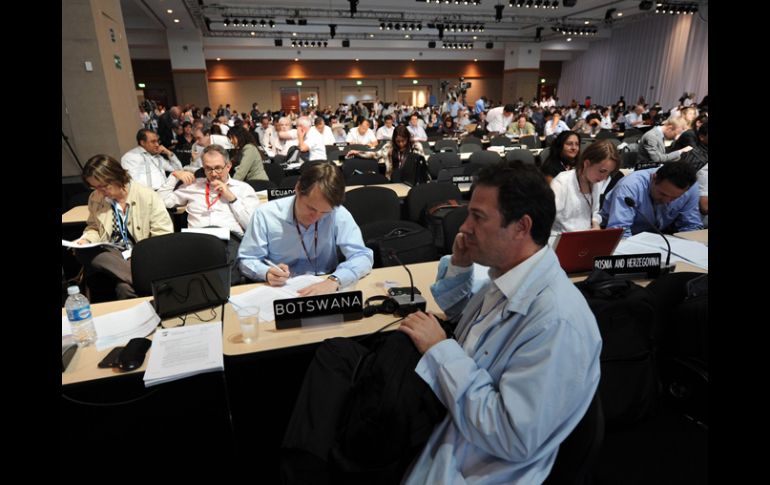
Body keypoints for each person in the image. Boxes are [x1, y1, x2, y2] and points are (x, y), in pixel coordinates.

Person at [398, 160, 602, 484]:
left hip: (481, 466)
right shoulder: (510, 276)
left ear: (521, 226)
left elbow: (512, 436)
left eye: (478, 217)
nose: (464, 228)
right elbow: (476, 327)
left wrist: (440, 350)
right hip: (452, 431)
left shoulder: (557, 323)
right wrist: (461, 268)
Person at [238, 163, 373, 296]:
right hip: (281, 288)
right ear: (297, 188)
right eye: (311, 208)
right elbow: (247, 259)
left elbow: (362, 256)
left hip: (325, 284)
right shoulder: (265, 214)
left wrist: (335, 280)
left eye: (324, 212)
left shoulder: (338, 213)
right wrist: (266, 272)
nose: (316, 217)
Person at [73, 155, 173, 299]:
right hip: (112, 253)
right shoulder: (96, 198)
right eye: (94, 187)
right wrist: (86, 240)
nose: (100, 191)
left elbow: (163, 236)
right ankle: (145, 280)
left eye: (103, 186)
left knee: (124, 288)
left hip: (140, 253)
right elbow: (93, 227)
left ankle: (137, 284)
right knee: (82, 252)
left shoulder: (147, 196)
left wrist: (141, 256)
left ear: (117, 176)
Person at [158, 144, 260, 283]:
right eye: (208, 168)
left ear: (228, 166)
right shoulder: (193, 186)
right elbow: (161, 201)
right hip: (196, 238)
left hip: (229, 237)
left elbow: (252, 225)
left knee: (226, 271)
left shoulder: (243, 189)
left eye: (218, 168)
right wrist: (174, 176)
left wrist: (231, 198)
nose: (213, 173)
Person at [600, 160, 703, 238]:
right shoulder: (630, 186)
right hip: (628, 237)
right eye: (662, 194)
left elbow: (691, 227)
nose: (667, 201)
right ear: (654, 178)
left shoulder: (691, 188)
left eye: (675, 198)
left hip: (660, 239)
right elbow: (619, 232)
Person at [549, 139, 621, 243]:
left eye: (608, 173)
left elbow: (595, 212)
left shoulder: (597, 181)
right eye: (602, 171)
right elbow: (546, 219)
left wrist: (596, 224)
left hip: (586, 241)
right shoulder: (562, 182)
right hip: (560, 241)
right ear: (586, 163)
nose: (605, 178)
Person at [347, 124, 425, 179]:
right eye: (398, 141)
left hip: (412, 179)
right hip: (392, 179)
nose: (401, 144)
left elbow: (422, 166)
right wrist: (357, 152)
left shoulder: (416, 146)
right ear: (394, 139)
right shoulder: (389, 146)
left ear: (408, 138)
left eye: (403, 141)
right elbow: (375, 155)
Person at [120, 129, 184, 190]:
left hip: (166, 192)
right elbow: (132, 183)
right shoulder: (131, 157)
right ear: (142, 142)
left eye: (157, 141)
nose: (157, 145)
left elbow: (178, 169)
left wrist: (168, 152)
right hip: (149, 195)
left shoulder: (158, 157)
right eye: (153, 142)